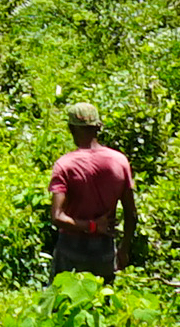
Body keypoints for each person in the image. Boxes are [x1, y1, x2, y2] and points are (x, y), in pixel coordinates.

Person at [44, 102, 135, 280]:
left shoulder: (65, 165)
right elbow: (131, 213)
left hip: (71, 249)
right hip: (104, 250)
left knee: (63, 303)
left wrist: (91, 226)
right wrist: (124, 249)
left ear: (71, 129)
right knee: (102, 303)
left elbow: (57, 217)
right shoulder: (120, 161)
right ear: (97, 128)